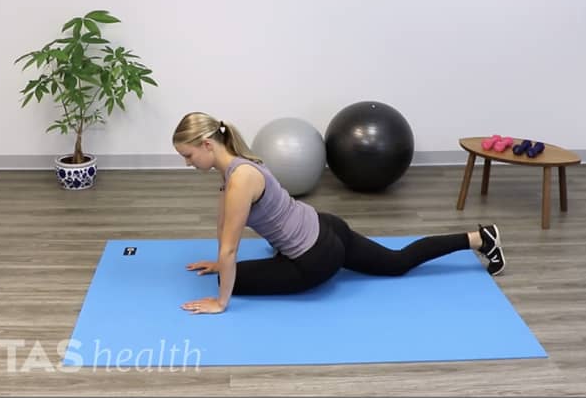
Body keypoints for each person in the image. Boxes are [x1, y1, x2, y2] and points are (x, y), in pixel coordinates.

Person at [172, 112, 506, 315]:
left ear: (206, 144)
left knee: (229, 280)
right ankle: (479, 238)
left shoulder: (239, 179)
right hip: (326, 226)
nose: (188, 163)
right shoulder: (236, 165)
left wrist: (221, 301)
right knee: (396, 262)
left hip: (312, 260)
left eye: (187, 155)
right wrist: (219, 259)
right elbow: (223, 223)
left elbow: (231, 247)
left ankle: (477, 239)